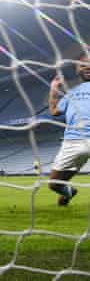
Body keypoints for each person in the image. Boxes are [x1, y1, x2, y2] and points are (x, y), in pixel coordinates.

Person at [47, 53, 90, 206]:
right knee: (54, 184)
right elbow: (54, 112)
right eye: (83, 64)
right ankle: (69, 192)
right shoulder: (71, 93)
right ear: (77, 69)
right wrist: (53, 89)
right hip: (73, 142)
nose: (87, 67)